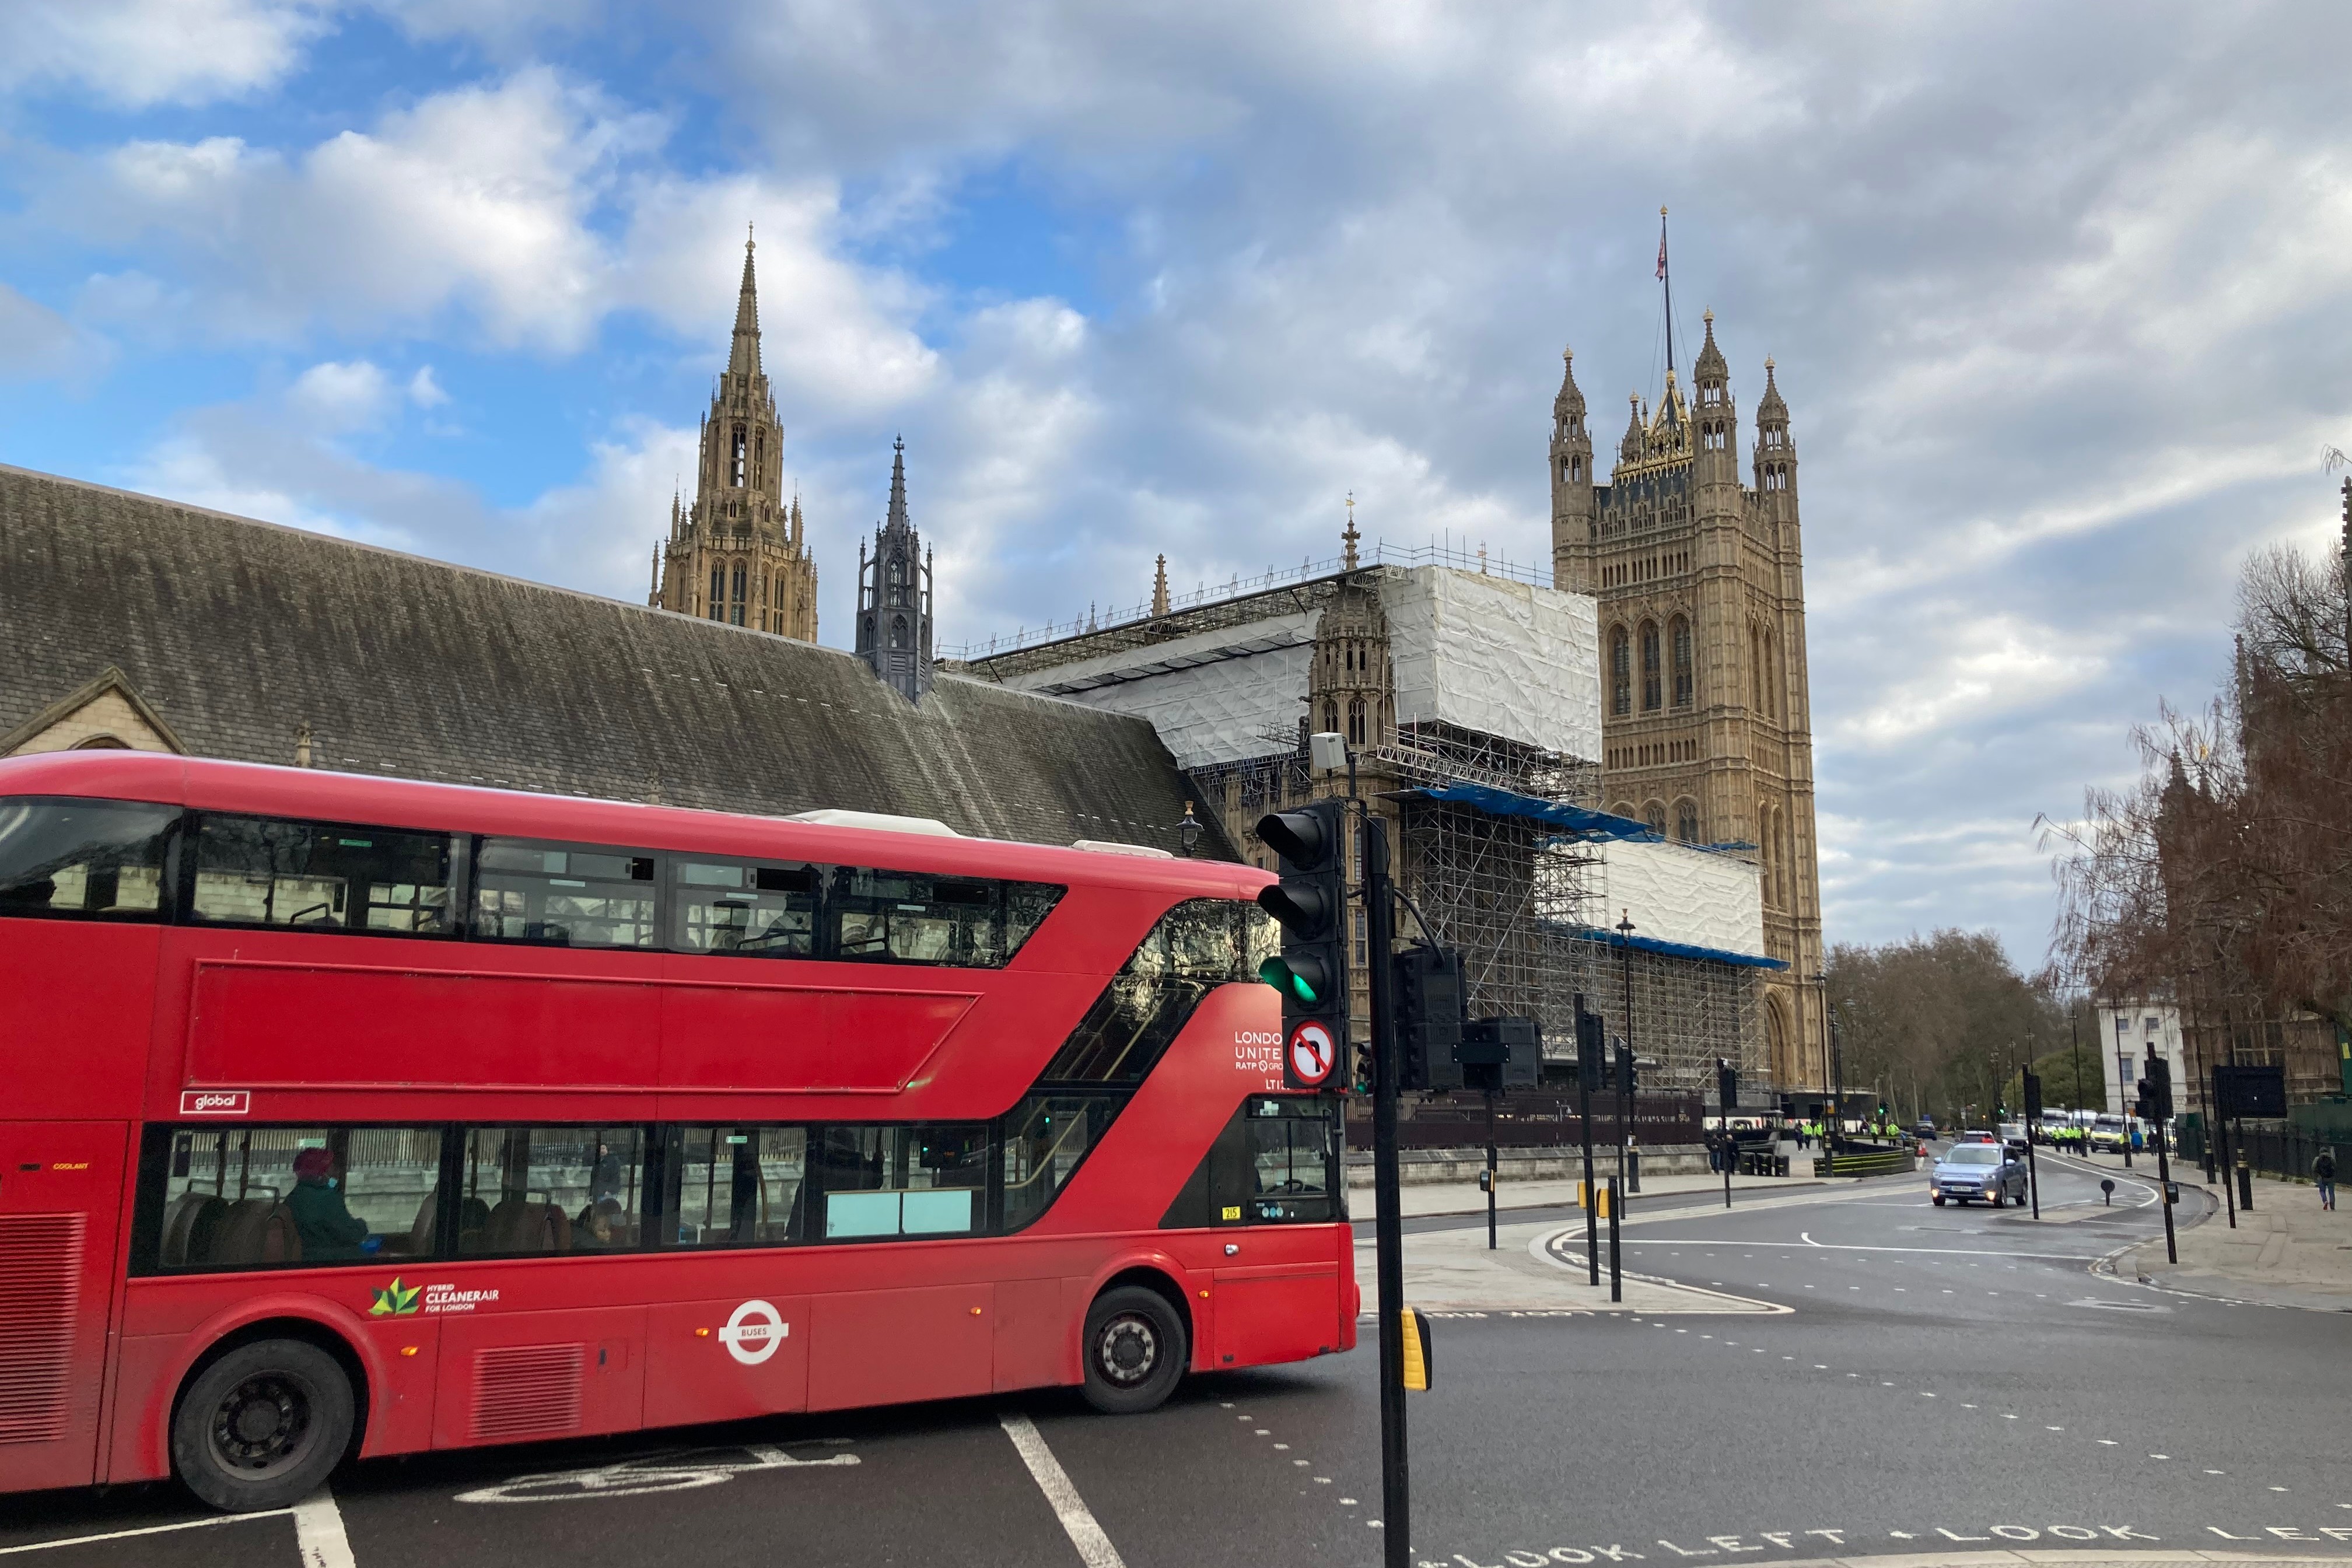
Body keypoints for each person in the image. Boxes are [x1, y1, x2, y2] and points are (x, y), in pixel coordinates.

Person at [288, 1147, 373, 1261]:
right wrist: (361, 1225)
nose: (337, 1173)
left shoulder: (294, 1196)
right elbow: (350, 1233)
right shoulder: (327, 1198)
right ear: (321, 1171)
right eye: (332, 1168)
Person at [2315, 1147, 2337, 1212]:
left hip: (2321, 1177)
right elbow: (2335, 1165)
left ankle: (2325, 1201)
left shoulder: (2318, 1159)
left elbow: (2313, 1167)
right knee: (2331, 1192)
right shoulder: (2331, 1158)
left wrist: (2317, 1174)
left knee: (2322, 1191)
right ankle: (2332, 1207)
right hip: (2330, 1177)